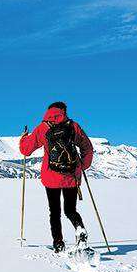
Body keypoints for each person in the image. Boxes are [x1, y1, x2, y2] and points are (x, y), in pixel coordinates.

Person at [19, 102, 93, 253]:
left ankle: (58, 244)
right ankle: (79, 228)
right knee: (70, 210)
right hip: (71, 176)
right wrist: (81, 166)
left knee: (55, 212)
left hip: (51, 177)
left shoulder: (43, 128)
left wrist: (23, 138)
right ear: (64, 110)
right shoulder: (73, 126)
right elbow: (88, 148)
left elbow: (26, 150)